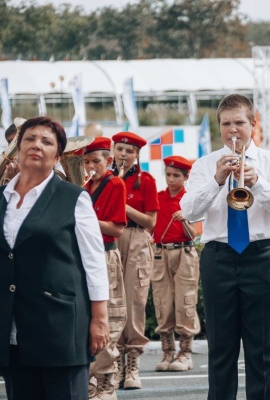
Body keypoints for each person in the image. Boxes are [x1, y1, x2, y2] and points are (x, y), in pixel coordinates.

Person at [0, 116, 110, 399]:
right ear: (17, 149)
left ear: (58, 156)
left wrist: (99, 318)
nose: (36, 145)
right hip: (10, 330)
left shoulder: (74, 197)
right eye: (29, 138)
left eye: (46, 141)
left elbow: (94, 262)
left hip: (61, 329)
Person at [180, 94, 270, 399]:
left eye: (239, 123)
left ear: (253, 123)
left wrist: (257, 183)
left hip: (260, 257)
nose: (232, 130)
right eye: (226, 124)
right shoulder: (205, 165)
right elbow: (189, 210)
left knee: (262, 350)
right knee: (221, 350)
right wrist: (216, 181)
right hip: (218, 258)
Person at [112, 131, 159, 390]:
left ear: (136, 155)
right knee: (111, 301)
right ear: (113, 151)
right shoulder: (104, 179)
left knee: (134, 301)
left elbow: (150, 222)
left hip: (136, 238)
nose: (123, 154)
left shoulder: (146, 180)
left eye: (129, 151)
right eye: (119, 149)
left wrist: (123, 204)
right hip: (110, 238)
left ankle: (132, 363)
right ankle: (115, 362)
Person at [83, 136, 128, 400]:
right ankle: (88, 382)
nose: (90, 167)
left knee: (108, 317)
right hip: (84, 254)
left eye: (96, 161)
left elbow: (117, 229)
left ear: (108, 160)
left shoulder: (115, 184)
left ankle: (107, 383)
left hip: (104, 254)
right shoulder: (84, 186)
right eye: (86, 162)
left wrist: (85, 218)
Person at [150, 155, 200, 373]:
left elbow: (193, 234)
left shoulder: (189, 199)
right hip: (160, 253)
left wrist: (185, 218)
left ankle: (185, 353)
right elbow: (150, 226)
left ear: (186, 177)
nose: (171, 179)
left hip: (184, 252)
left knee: (185, 301)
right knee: (162, 301)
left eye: (176, 175)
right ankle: (167, 351)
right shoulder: (158, 198)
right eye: (168, 174)